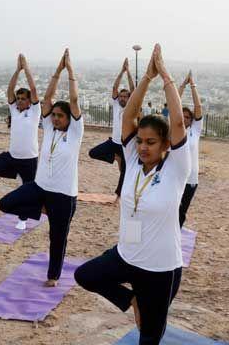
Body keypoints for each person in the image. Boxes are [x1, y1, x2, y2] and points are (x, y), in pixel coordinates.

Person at [75, 44, 189, 345]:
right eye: (140, 141)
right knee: (86, 275)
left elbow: (177, 123)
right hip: (127, 255)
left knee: (148, 338)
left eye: (151, 142)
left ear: (165, 145)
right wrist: (146, 77)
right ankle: (132, 300)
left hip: (160, 268)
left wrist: (165, 77)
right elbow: (129, 116)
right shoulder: (133, 159)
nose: (142, 147)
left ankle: (144, 306)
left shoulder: (176, 168)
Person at [0, 48, 83, 287]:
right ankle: (42, 209)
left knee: (57, 238)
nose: (55, 118)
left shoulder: (75, 133)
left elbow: (73, 100)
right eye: (53, 115)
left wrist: (70, 71)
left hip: (64, 195)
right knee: (5, 203)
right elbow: (46, 98)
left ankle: (53, 276)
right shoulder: (49, 129)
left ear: (69, 118)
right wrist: (57, 70)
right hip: (40, 187)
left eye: (60, 116)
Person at [0, 54, 40, 230]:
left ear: (29, 101)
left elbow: (34, 89)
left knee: (28, 192)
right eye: (19, 98)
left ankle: (22, 220)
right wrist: (17, 70)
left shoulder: (35, 112)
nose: (20, 101)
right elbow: (9, 90)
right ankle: (16, 174)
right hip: (13, 156)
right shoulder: (15, 111)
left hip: (29, 159)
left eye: (24, 98)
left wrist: (27, 69)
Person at [88, 58, 134, 200]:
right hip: (114, 142)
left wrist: (129, 73)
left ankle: (118, 196)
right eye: (120, 96)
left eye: (125, 96)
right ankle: (115, 157)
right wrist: (122, 71)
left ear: (129, 98)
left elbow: (134, 90)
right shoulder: (116, 104)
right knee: (93, 152)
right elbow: (114, 87)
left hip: (126, 144)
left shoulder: (131, 106)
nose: (122, 98)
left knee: (124, 172)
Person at [177, 70, 203, 227]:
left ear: (192, 120)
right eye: (182, 116)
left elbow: (198, 106)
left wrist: (192, 85)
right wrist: (182, 85)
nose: (185, 118)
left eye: (188, 117)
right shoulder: (175, 129)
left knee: (182, 211)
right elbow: (174, 101)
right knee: (171, 208)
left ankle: (176, 235)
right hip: (175, 176)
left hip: (191, 178)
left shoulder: (195, 131)